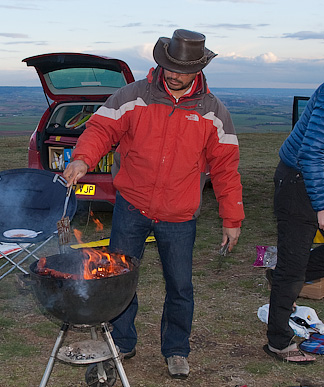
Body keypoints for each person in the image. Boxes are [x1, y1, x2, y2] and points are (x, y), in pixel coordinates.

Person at [63, 29, 244, 379]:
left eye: (181, 70)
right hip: (132, 206)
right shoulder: (132, 96)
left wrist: (231, 217)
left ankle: (176, 349)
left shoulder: (213, 112)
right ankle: (120, 342)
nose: (173, 75)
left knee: (180, 286)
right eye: (168, 66)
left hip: (179, 215)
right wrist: (83, 159)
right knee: (117, 279)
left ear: (198, 69)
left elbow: (226, 168)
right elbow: (101, 130)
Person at [264, 84, 324, 363]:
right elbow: (311, 154)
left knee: (294, 267)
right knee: (293, 269)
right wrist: (321, 206)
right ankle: (278, 342)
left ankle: (278, 275)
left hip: (314, 179)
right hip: (298, 181)